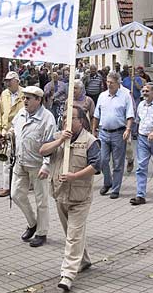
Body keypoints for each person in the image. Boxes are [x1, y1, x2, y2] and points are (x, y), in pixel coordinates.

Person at [39, 106, 101, 291]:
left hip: (80, 197)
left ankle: (67, 274)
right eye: (64, 117)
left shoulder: (90, 141)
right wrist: (59, 141)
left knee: (73, 236)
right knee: (71, 233)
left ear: (80, 121)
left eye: (70, 118)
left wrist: (75, 176)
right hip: (60, 194)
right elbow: (42, 150)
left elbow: (96, 165)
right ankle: (84, 260)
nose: (66, 121)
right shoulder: (58, 136)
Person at [10, 86, 56, 247]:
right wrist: (6, 136)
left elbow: (50, 144)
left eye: (29, 98)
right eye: (24, 98)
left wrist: (46, 165)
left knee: (41, 201)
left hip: (38, 165)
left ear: (38, 100)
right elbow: (13, 129)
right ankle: (32, 223)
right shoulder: (21, 113)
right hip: (20, 161)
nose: (25, 101)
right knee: (15, 194)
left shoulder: (47, 118)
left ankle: (42, 233)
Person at [93, 71, 134, 199]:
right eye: (107, 82)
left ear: (118, 83)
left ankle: (116, 188)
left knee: (117, 163)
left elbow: (130, 115)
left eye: (112, 82)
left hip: (119, 133)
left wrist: (128, 129)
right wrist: (93, 129)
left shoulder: (125, 96)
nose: (109, 84)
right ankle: (107, 182)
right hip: (104, 133)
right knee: (103, 160)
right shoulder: (102, 96)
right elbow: (96, 114)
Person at [0, 71, 24, 197]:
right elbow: (1, 113)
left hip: (21, 131)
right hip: (6, 131)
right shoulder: (4, 94)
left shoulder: (25, 94)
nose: (7, 83)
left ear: (17, 81)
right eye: (6, 80)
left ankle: (23, 184)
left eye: (10, 80)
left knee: (21, 158)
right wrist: (0, 130)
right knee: (6, 159)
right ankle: (7, 186)